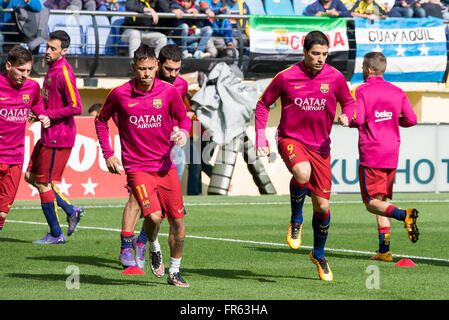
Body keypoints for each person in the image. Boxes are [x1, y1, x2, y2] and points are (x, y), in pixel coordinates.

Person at [254, 30, 355, 282]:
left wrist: (347, 116)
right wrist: (260, 138)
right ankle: (296, 219)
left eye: (324, 54)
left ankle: (318, 255)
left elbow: (350, 103)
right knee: (301, 171)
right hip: (291, 139)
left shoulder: (335, 78)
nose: (321, 59)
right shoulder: (286, 77)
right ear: (305, 52)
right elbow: (262, 104)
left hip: (321, 147)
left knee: (322, 206)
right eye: (316, 54)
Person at [95, 44, 191, 287]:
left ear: (156, 66)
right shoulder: (119, 94)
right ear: (133, 68)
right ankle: (151, 245)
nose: (146, 74)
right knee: (155, 216)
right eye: (141, 69)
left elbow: (183, 117)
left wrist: (184, 133)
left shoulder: (169, 91)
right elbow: (100, 121)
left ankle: (175, 271)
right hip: (137, 167)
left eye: (150, 68)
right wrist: (108, 154)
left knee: (179, 222)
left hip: (165, 165)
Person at [119, 44, 194, 276]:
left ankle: (143, 241)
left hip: (171, 151)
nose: (173, 74)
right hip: (141, 157)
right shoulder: (141, 80)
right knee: (144, 204)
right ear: (158, 64)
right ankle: (144, 246)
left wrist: (184, 131)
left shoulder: (179, 85)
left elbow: (186, 115)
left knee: (162, 211)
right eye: (169, 69)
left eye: (177, 70)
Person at [349, 52, 419, 262]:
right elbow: (412, 119)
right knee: (382, 201)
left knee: (371, 202)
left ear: (369, 69)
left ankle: (404, 214)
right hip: (392, 152)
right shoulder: (397, 92)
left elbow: (358, 118)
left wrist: (348, 120)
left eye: (362, 66)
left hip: (372, 152)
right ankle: (384, 250)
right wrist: (393, 122)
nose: (361, 69)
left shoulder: (360, 90)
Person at [25, 30, 84, 244]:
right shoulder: (51, 69)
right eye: (47, 47)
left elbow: (76, 106)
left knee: (43, 184)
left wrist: (47, 114)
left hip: (59, 137)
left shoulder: (64, 73)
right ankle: (70, 210)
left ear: (64, 51)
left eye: (53, 48)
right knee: (31, 178)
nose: (47, 51)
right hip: (47, 134)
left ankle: (56, 234)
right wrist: (38, 113)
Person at [0, 46, 51, 232]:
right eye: (21, 70)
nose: (25, 75)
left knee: (3, 213)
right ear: (8, 65)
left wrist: (42, 115)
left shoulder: (32, 87)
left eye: (28, 71)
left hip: (15, 156)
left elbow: (37, 104)